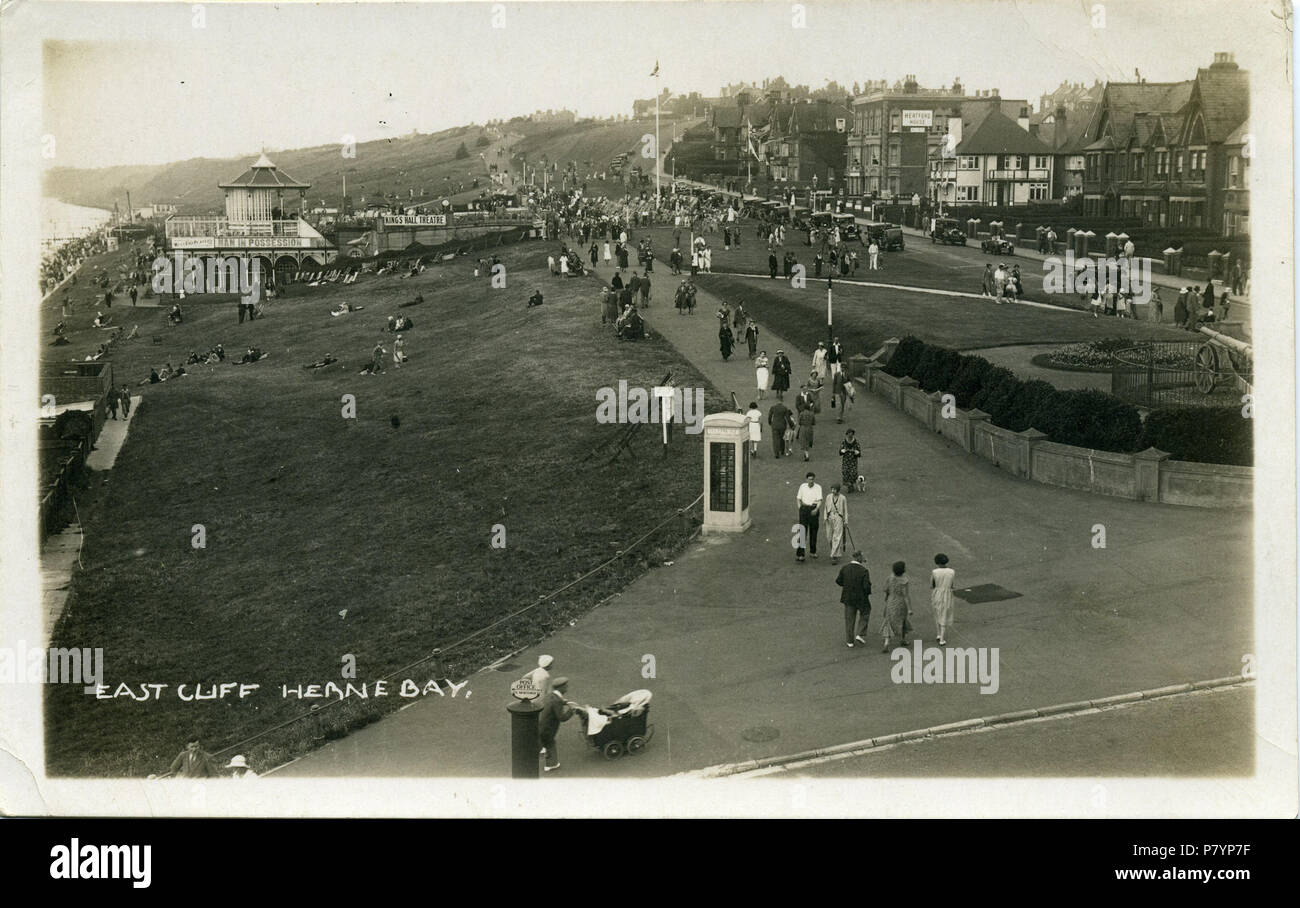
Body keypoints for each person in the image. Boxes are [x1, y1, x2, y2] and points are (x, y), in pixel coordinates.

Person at [538, 677, 576, 772]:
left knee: (544, 740)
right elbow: (562, 717)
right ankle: (551, 764)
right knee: (550, 743)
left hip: (542, 724)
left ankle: (540, 750)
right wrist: (572, 710)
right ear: (560, 688)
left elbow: (555, 702)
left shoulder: (551, 695)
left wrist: (565, 702)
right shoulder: (557, 700)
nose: (567, 688)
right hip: (549, 727)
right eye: (565, 686)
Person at [835, 550, 871, 647]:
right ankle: (860, 633)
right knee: (865, 612)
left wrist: (846, 585)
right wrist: (867, 594)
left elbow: (839, 581)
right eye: (862, 557)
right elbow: (866, 587)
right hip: (861, 598)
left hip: (848, 597)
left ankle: (849, 641)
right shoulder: (864, 571)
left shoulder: (845, 568)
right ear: (858, 557)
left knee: (849, 618)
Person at [881, 561, 913, 651]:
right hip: (901, 602)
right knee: (902, 620)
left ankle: (887, 641)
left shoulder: (890, 578)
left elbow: (885, 589)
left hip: (891, 601)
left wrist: (887, 597)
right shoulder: (904, 580)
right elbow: (906, 595)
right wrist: (910, 608)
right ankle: (902, 639)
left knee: (888, 621)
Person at [795, 472, 823, 562]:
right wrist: (800, 508)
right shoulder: (802, 486)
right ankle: (800, 554)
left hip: (813, 509)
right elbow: (798, 498)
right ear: (806, 479)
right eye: (809, 479)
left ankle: (813, 551)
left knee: (814, 531)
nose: (811, 481)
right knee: (802, 531)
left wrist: (816, 509)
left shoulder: (818, 487)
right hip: (804, 509)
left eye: (812, 479)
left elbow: (820, 500)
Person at [931, 553, 956, 645]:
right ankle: (942, 638)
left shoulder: (934, 572)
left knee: (937, 612)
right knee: (944, 614)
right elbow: (952, 584)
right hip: (948, 594)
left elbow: (932, 585)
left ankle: (938, 634)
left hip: (937, 593)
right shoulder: (952, 571)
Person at [823, 484, 849, 564]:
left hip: (838, 517)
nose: (833, 491)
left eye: (834, 489)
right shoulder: (828, 497)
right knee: (829, 537)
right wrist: (825, 518)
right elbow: (825, 507)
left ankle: (833, 556)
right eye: (832, 489)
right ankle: (835, 553)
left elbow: (845, 510)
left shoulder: (843, 498)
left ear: (838, 490)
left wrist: (845, 521)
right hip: (829, 517)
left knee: (836, 537)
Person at [796, 393, 816, 461]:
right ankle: (806, 453)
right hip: (810, 428)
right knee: (808, 440)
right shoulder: (812, 414)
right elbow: (814, 422)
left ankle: (806, 455)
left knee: (804, 442)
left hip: (803, 428)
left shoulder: (802, 413)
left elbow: (799, 421)